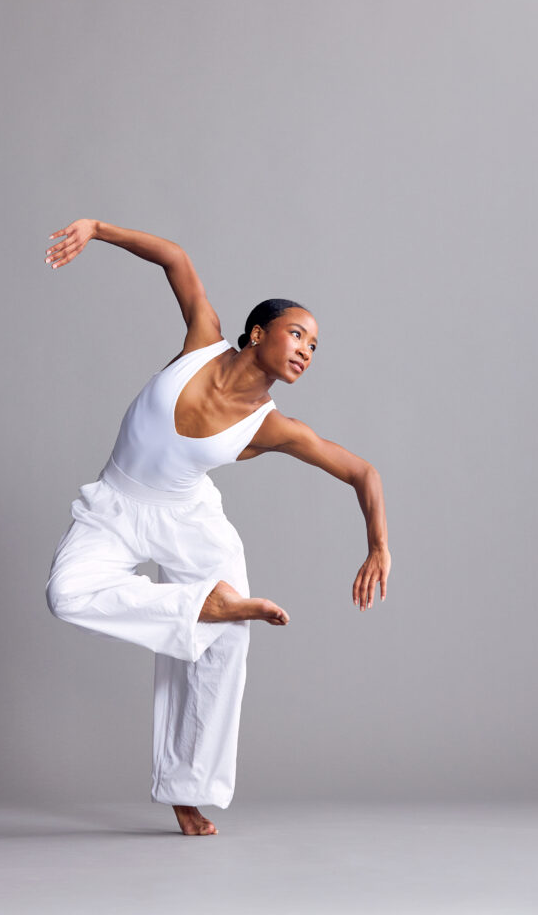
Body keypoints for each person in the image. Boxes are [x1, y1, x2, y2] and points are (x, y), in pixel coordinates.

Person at [44, 218, 392, 836]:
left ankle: (188, 789)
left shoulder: (271, 427)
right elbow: (174, 257)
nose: (307, 349)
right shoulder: (201, 341)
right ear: (257, 333)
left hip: (190, 520)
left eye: (315, 345)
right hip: (115, 507)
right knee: (66, 595)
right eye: (297, 333)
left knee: (228, 642)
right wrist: (96, 230)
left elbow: (361, 471)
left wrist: (377, 547)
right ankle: (202, 605)